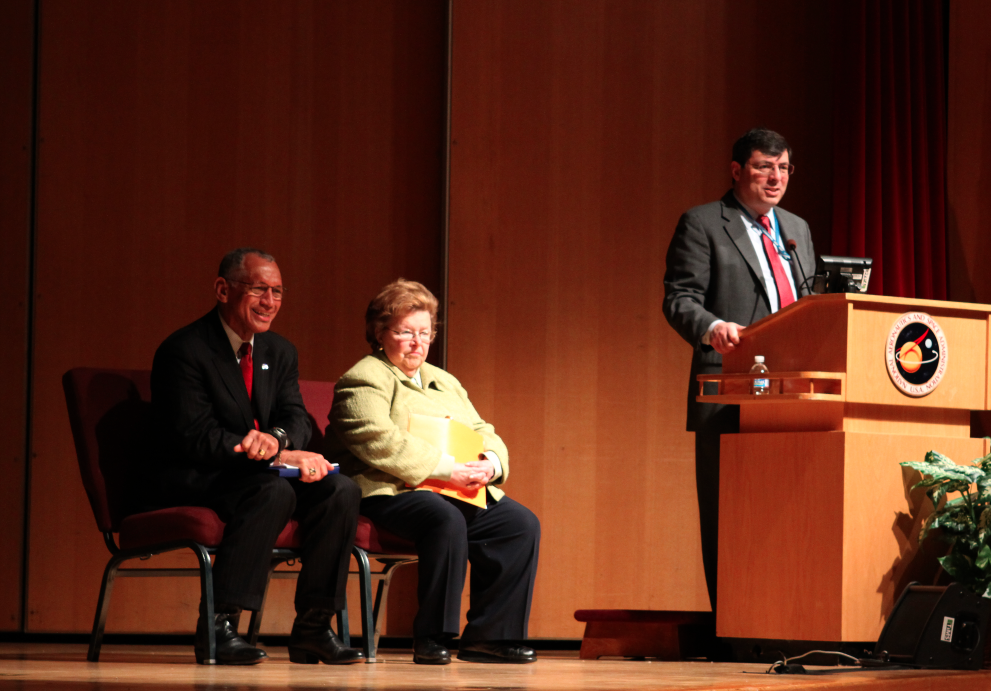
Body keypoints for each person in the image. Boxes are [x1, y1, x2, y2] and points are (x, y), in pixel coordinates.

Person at [150, 247, 364, 666]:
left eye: (278, 292)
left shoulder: (279, 351)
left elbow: (295, 416)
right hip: (199, 474)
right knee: (272, 490)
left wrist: (278, 441)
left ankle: (314, 627)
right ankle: (219, 624)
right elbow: (193, 436)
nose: (270, 302)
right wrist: (267, 453)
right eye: (259, 290)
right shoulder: (185, 350)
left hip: (256, 474)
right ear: (222, 289)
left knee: (340, 490)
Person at [325, 279, 540, 665]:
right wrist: (447, 470)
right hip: (389, 493)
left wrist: (490, 463)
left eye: (424, 333)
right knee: (444, 517)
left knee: (518, 523)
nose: (417, 343)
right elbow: (378, 439)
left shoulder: (445, 381)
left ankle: (490, 637)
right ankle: (432, 636)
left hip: (449, 489)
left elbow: (482, 430)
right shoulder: (364, 378)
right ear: (379, 333)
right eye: (405, 332)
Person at [662, 129, 816, 613]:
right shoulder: (704, 223)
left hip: (795, 394)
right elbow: (679, 298)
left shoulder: (797, 227)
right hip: (729, 388)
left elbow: (809, 302)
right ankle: (735, 619)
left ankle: (788, 616)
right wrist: (711, 328)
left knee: (790, 509)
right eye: (763, 167)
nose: (776, 178)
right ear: (736, 171)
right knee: (730, 514)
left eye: (784, 168)